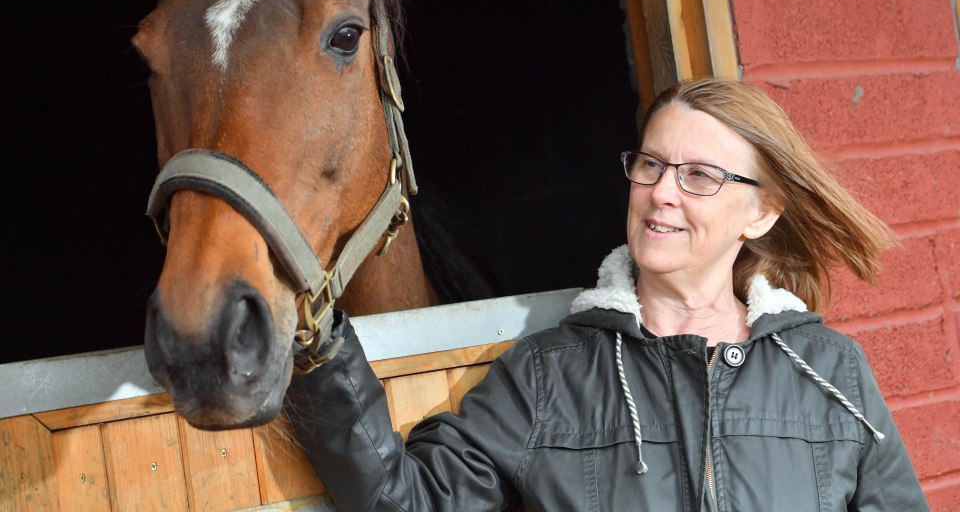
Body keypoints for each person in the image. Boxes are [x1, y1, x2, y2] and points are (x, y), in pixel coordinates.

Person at [286, 78, 929, 511]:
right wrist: (315, 343)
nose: (662, 192)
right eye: (651, 165)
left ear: (760, 214)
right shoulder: (549, 375)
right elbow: (411, 502)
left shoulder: (830, 370)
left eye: (699, 176)